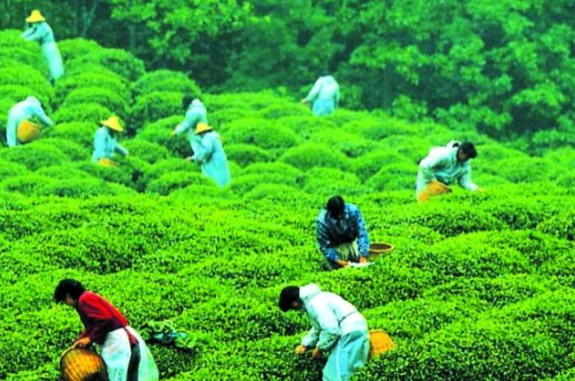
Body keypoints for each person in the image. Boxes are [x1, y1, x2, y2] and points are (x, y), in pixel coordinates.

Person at [53, 279, 159, 381]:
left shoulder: (84, 299)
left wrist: (90, 339)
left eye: (64, 301)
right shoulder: (85, 299)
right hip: (115, 340)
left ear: (68, 296)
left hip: (117, 340)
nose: (67, 304)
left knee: (118, 374)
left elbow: (105, 319)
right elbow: (92, 326)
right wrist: (80, 340)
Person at [279, 283, 370, 381]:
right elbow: (318, 328)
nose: (295, 309)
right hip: (355, 327)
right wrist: (305, 344)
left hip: (349, 331)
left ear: (294, 303)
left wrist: (320, 348)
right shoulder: (317, 299)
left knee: (334, 375)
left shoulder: (315, 304)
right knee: (351, 370)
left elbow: (331, 329)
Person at [316, 195, 370, 270]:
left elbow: (362, 233)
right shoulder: (322, 221)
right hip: (336, 248)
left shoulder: (353, 211)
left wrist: (363, 256)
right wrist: (339, 261)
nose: (339, 218)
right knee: (331, 266)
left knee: (365, 258)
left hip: (352, 243)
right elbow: (325, 247)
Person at [21, 10, 64, 83]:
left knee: (53, 64)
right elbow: (29, 32)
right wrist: (19, 38)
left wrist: (24, 40)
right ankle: (50, 80)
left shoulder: (44, 27)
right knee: (47, 64)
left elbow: (36, 36)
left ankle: (56, 80)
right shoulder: (36, 26)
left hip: (50, 48)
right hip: (44, 48)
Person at [189, 123, 231, 188]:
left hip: (214, 161)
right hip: (220, 159)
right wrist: (194, 157)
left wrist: (201, 158)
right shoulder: (214, 135)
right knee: (223, 178)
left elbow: (207, 150)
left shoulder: (207, 137)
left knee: (215, 179)